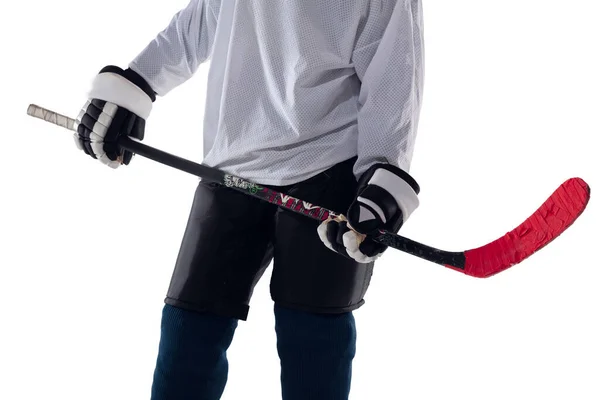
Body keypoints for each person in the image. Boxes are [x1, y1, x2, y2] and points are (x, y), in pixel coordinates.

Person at [73, 1, 424, 399]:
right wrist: (137, 84)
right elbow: (200, 23)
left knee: (312, 342)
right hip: (231, 168)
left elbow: (394, 78)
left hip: (329, 175)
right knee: (187, 333)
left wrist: (382, 179)